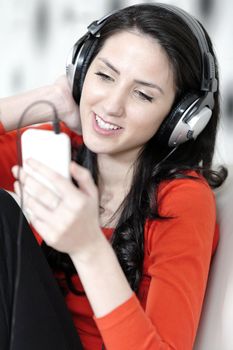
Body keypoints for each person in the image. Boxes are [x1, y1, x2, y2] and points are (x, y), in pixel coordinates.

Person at [0, 3, 227, 350]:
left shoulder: (181, 199)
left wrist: (89, 247)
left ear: (179, 118)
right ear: (80, 71)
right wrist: (50, 98)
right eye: (104, 76)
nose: (111, 105)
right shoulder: (60, 147)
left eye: (143, 94)